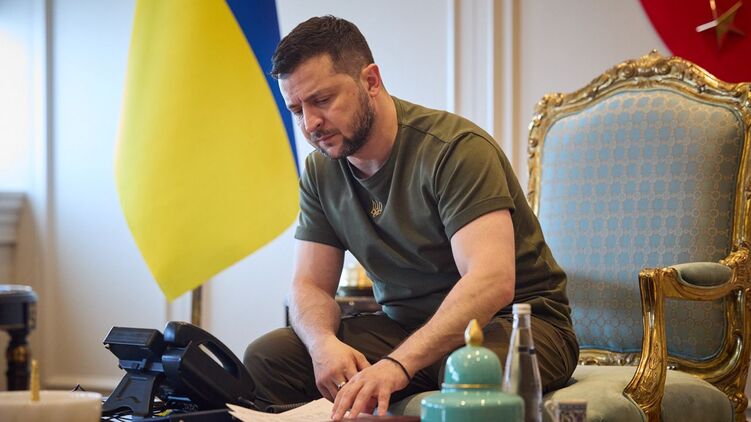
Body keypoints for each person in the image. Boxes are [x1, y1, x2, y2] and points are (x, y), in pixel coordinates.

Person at [243, 15, 578, 420]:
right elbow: (309, 285)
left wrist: (398, 365)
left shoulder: (456, 149)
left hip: (518, 327)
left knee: (467, 370)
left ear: (371, 81)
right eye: (297, 109)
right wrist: (322, 345)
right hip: (405, 328)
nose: (310, 123)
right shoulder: (320, 170)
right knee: (268, 357)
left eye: (323, 100)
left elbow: (490, 281)